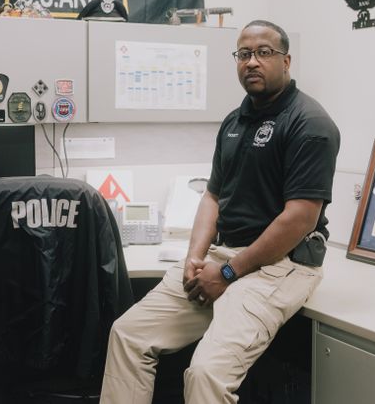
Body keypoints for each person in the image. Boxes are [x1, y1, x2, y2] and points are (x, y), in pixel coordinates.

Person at [100, 20, 340, 403]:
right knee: (128, 334)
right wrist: (195, 258)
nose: (252, 62)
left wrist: (228, 272)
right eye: (244, 54)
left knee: (206, 373)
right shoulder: (234, 121)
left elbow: (300, 218)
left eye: (264, 53)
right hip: (223, 257)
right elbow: (212, 197)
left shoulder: (309, 124)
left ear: (287, 60)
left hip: (281, 265)